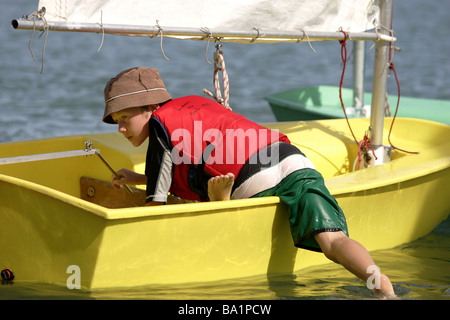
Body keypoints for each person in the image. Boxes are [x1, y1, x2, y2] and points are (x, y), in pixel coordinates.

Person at [102, 67, 396, 298]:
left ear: (151, 108)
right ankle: (381, 286)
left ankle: (223, 199)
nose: (121, 128)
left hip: (252, 181)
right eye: (117, 120)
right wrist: (139, 177)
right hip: (292, 161)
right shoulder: (195, 106)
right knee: (334, 241)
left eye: (125, 117)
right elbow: (190, 162)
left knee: (218, 196)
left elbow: (156, 206)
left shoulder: (159, 126)